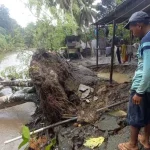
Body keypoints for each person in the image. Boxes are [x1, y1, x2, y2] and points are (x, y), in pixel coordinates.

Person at [118, 11, 150, 150]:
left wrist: (139, 91)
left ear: (139, 25)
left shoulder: (146, 40)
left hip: (142, 86)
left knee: (135, 117)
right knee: (148, 114)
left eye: (131, 27)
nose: (131, 31)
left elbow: (148, 70)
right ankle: (146, 140)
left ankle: (132, 145)